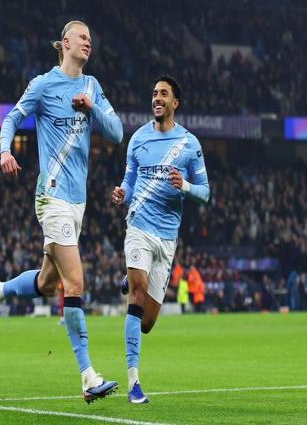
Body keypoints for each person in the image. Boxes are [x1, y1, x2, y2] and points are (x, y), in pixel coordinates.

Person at [0, 20, 123, 403]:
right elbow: (12, 117)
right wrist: (5, 150)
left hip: (78, 202)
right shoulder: (44, 85)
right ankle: (88, 377)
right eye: (82, 37)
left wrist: (92, 109)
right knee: (74, 283)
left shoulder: (92, 87)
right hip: (52, 197)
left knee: (47, 284)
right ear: (65, 43)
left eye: (91, 38)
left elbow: (116, 132)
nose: (88, 42)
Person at [113, 75, 210, 403]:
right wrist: (122, 193)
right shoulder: (138, 138)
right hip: (139, 227)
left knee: (147, 323)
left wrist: (185, 186)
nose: (157, 98)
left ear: (175, 103)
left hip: (167, 238)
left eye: (163, 94)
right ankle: (134, 383)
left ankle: (130, 277)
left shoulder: (189, 144)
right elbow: (129, 181)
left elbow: (205, 193)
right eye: (154, 93)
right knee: (137, 295)